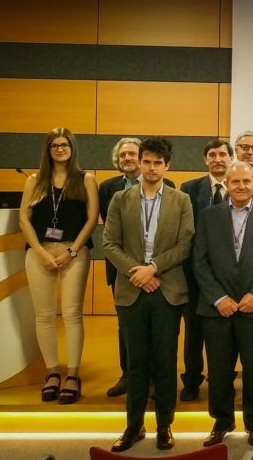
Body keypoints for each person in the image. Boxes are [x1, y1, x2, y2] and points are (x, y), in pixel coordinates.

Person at [102, 137, 194, 452]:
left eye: (158, 162)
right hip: (131, 291)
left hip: (168, 290)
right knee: (136, 363)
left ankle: (165, 427)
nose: (152, 167)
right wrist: (138, 273)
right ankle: (133, 426)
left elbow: (185, 244)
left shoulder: (181, 200)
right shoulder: (119, 199)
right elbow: (109, 243)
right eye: (147, 161)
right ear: (139, 163)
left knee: (166, 361)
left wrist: (152, 268)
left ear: (167, 166)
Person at [193, 161, 253, 448]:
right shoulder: (208, 217)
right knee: (219, 369)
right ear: (227, 184)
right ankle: (222, 421)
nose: (241, 187)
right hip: (217, 308)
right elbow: (200, 261)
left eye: (247, 181)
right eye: (235, 182)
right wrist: (218, 298)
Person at [19, 127, 99, 405]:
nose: (60, 149)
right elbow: (24, 219)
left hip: (73, 253)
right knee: (43, 315)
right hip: (40, 252)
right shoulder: (34, 181)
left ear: (72, 148)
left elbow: (92, 219)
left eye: (65, 145)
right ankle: (52, 372)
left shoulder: (85, 179)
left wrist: (72, 250)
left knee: (72, 314)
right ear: (48, 150)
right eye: (55, 145)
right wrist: (39, 251)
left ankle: (73, 375)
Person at [98, 137, 164, 398]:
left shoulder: (166, 186)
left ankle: (153, 378)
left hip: (157, 272)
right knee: (126, 326)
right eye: (122, 155)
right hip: (123, 270)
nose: (127, 158)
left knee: (155, 326)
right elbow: (111, 233)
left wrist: (151, 269)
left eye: (132, 154)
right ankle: (128, 374)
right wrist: (132, 269)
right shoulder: (108, 189)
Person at [177, 139, 233, 402]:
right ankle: (192, 379)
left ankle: (223, 379)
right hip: (196, 272)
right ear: (205, 160)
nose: (218, 158)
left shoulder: (240, 186)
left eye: (223, 154)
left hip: (231, 274)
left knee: (225, 333)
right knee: (194, 332)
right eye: (212, 154)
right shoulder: (189, 189)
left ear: (231, 158)